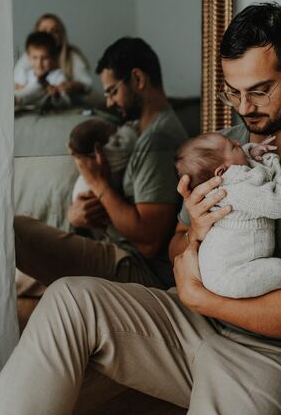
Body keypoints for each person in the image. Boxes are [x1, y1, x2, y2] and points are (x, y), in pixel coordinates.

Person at [1, 3, 281, 415]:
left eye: (259, 90)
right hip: (193, 323)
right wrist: (195, 236)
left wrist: (202, 297)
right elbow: (171, 247)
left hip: (269, 354)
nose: (243, 107)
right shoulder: (225, 146)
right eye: (233, 92)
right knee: (68, 299)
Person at [15, 37, 188, 299]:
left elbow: (150, 241)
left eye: (112, 91)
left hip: (138, 268)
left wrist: (98, 183)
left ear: (138, 79)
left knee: (15, 231)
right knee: (14, 276)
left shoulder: (159, 140)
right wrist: (79, 216)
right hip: (114, 249)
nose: (108, 103)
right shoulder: (134, 132)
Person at [175, 132, 281, 298]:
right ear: (221, 173)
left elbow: (249, 174)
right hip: (229, 276)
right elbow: (279, 203)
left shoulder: (230, 180)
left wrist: (253, 155)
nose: (238, 142)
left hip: (217, 269)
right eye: (234, 147)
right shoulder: (235, 191)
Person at [14, 13, 92, 97]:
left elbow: (87, 83)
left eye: (54, 31)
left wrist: (73, 85)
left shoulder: (71, 56)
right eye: (44, 31)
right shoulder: (28, 56)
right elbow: (16, 79)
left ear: (61, 35)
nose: (49, 34)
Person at [69, 118, 138, 201]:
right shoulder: (112, 153)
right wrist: (129, 126)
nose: (116, 129)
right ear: (97, 147)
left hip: (79, 194)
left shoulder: (87, 161)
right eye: (107, 128)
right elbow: (130, 138)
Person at [14, 31, 71, 109]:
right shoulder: (25, 75)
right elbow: (17, 89)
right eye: (34, 58)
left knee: (40, 88)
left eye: (45, 58)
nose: (39, 63)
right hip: (25, 110)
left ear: (52, 57)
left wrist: (56, 95)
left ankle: (15, 100)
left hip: (45, 110)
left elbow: (66, 102)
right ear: (28, 57)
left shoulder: (58, 76)